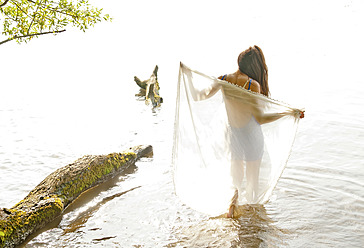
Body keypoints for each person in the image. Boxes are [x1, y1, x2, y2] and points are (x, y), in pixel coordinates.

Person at [215, 45, 304, 218]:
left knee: (236, 181)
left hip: (233, 136)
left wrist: (188, 75)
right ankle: (252, 220)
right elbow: (260, 119)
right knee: (252, 183)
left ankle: (232, 211)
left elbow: (199, 96)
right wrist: (288, 113)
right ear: (255, 66)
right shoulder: (252, 84)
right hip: (251, 138)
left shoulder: (223, 79)